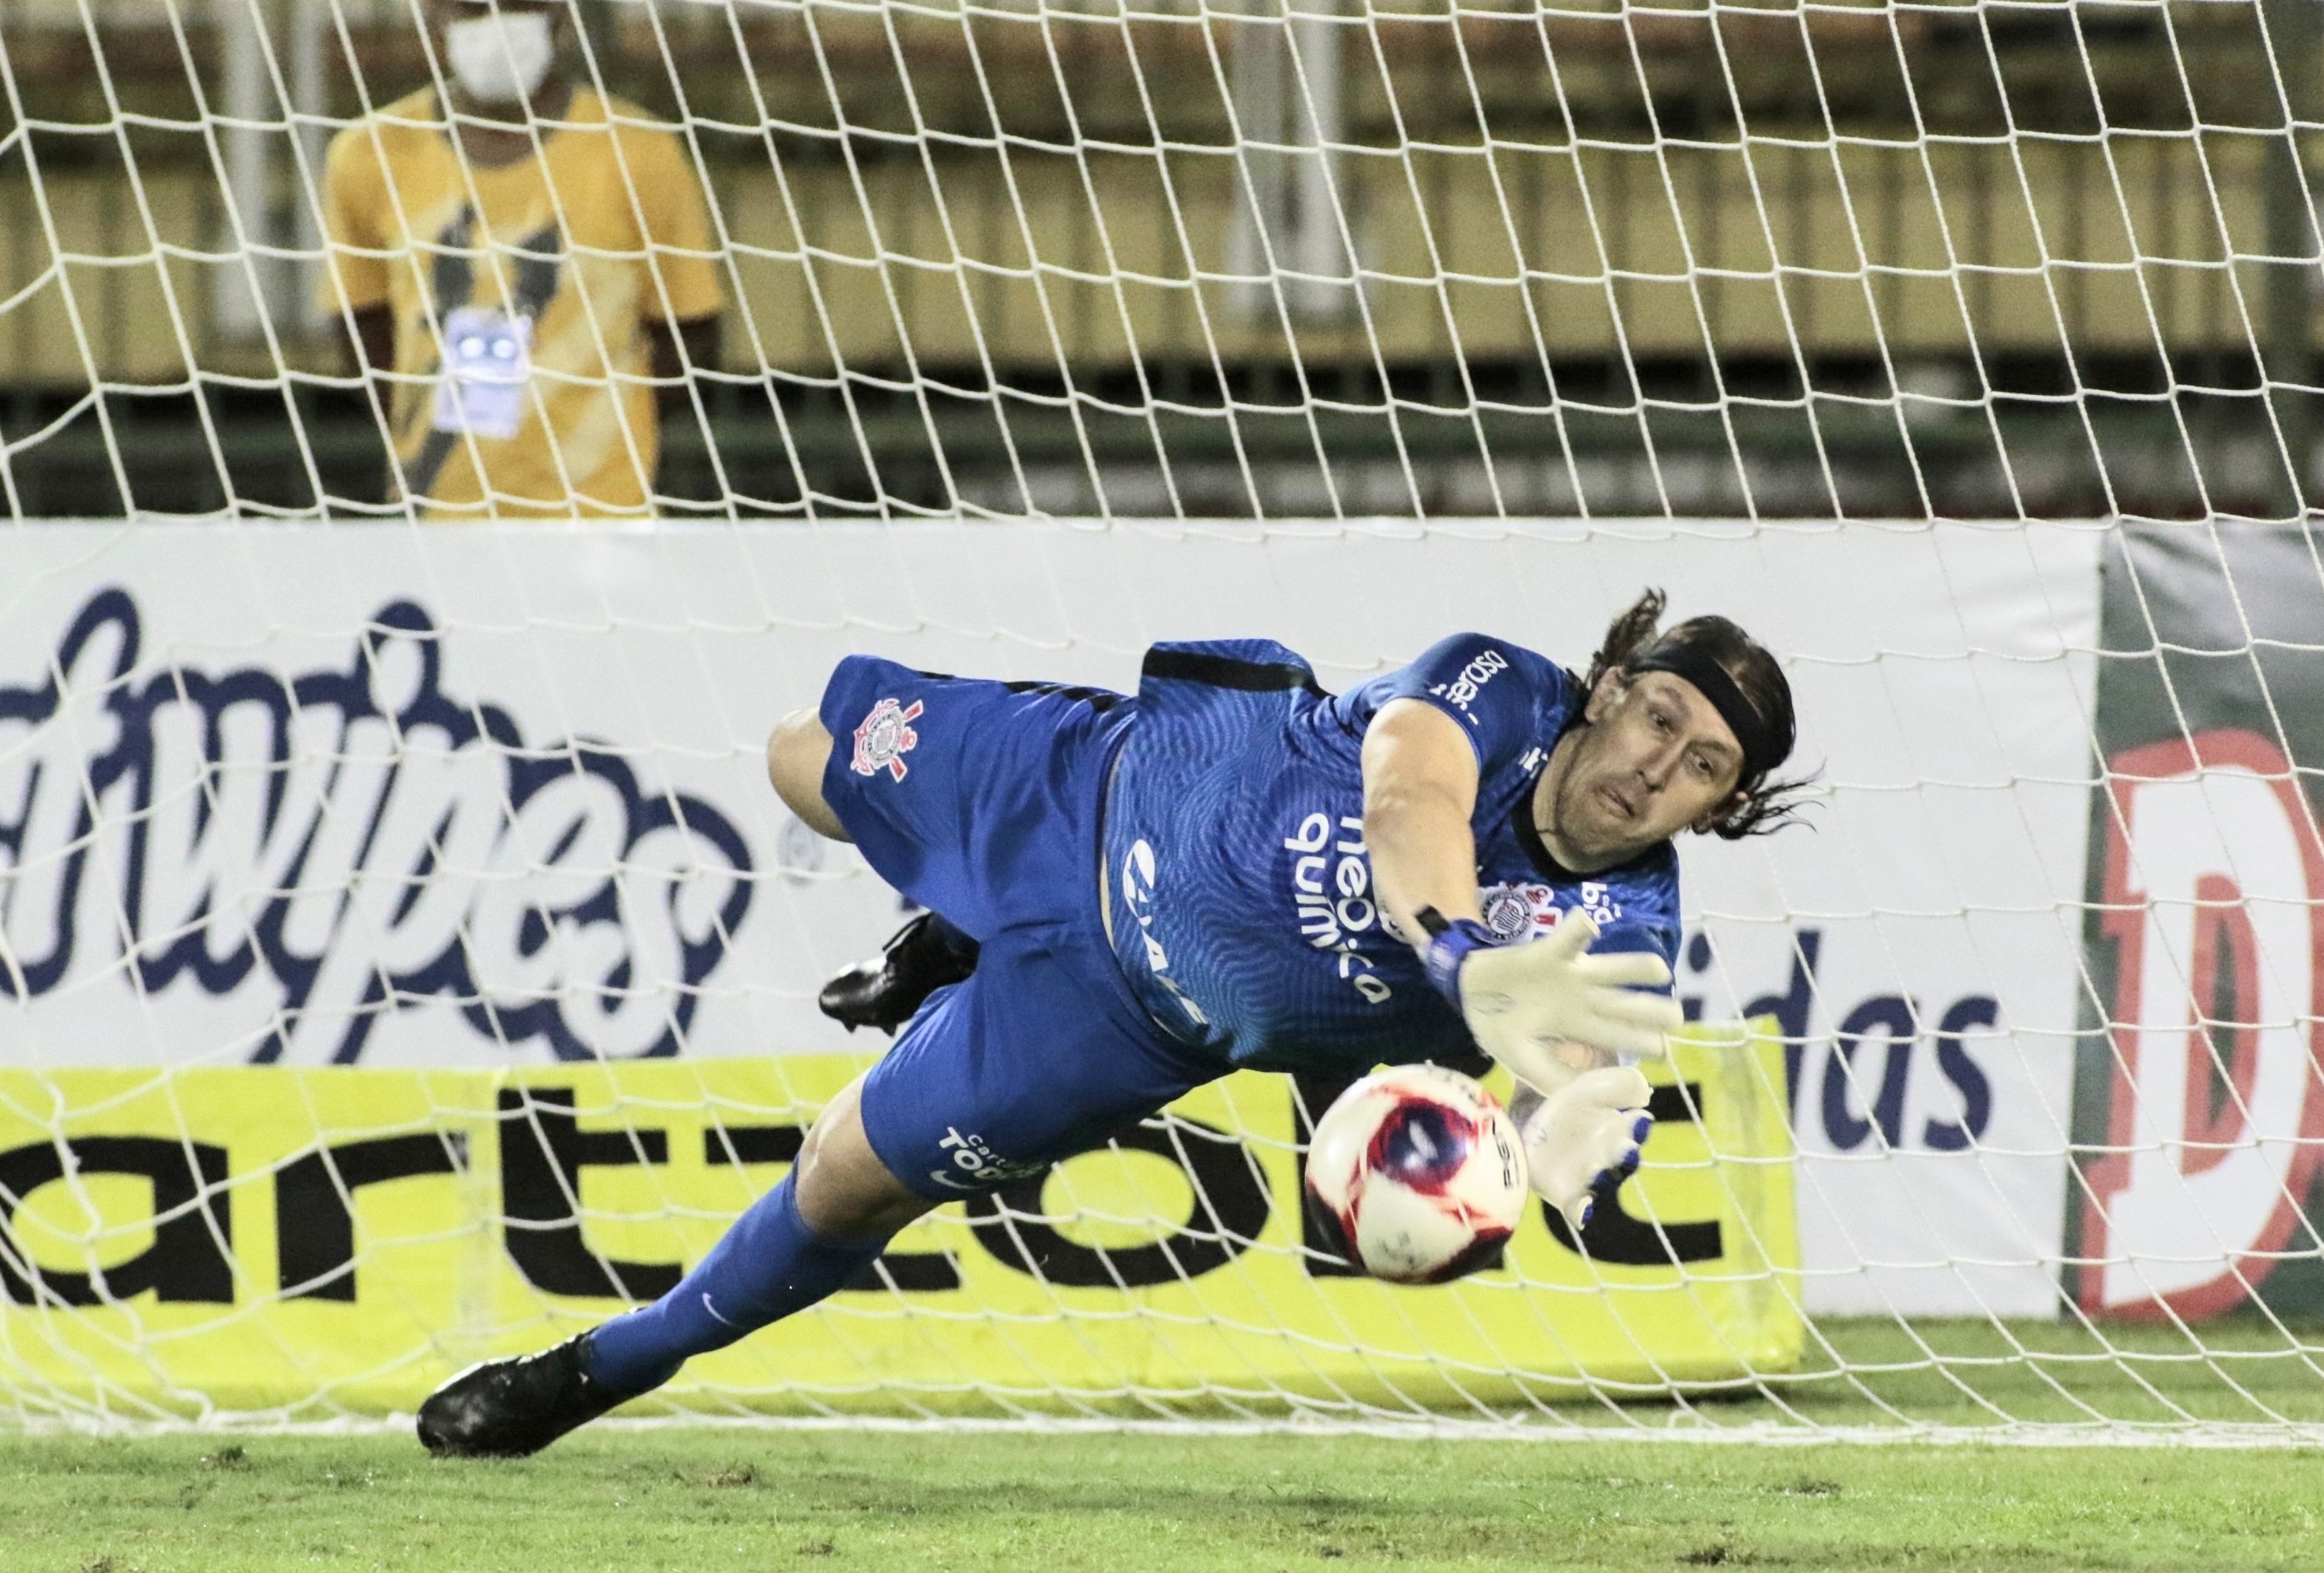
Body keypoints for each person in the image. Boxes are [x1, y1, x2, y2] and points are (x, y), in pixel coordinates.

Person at [416, 589, 1805, 1456]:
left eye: (1703, 768)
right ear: (1609, 686)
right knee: (801, 756)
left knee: (842, 1182)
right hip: (1088, 788)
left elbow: (1574, 1102)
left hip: (1126, 1021)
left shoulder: (1619, 938)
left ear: (1721, 809)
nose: (1654, 768)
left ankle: (600, 1366)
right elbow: (1407, 805)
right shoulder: (1497, 688)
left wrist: (1504, 1173)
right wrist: (1455, 948)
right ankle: (956, 926)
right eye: (1657, 717)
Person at [320, 0, 724, 517]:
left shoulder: (639, 151)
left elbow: (691, 337)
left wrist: (590, 418)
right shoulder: (367, 156)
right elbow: (362, 330)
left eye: (517, 6)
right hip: (439, 521)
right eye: (475, 6)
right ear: (436, 14)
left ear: (556, 16)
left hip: (601, 521)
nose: (496, 25)